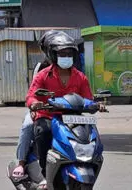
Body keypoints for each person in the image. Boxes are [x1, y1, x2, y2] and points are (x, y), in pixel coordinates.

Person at [26, 32, 102, 174]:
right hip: (48, 116)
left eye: (69, 54)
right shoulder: (43, 75)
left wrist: (96, 105)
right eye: (62, 54)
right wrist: (35, 103)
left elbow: (88, 98)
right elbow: (31, 96)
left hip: (73, 117)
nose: (66, 57)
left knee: (90, 135)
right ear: (53, 55)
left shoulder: (80, 77)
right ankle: (44, 170)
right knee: (44, 132)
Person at [12, 31, 62, 180]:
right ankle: (21, 162)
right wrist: (34, 108)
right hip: (42, 109)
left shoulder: (72, 68)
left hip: (65, 109)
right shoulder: (40, 68)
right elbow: (33, 92)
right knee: (28, 126)